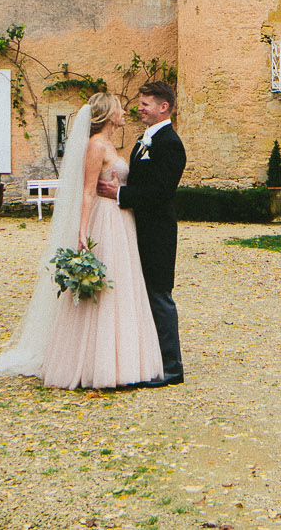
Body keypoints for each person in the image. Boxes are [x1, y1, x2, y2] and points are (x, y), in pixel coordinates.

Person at [0, 91, 163, 389]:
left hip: (122, 220)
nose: (125, 112)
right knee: (103, 287)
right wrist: (82, 231)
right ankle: (94, 364)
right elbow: (87, 192)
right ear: (108, 115)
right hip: (104, 220)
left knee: (121, 286)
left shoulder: (112, 145)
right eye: (119, 108)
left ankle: (123, 362)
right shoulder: (96, 145)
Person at [101, 78, 185, 386]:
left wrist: (121, 195)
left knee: (159, 295)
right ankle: (149, 361)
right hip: (137, 228)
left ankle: (172, 368)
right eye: (140, 104)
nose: (140, 109)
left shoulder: (170, 143)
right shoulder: (143, 140)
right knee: (142, 295)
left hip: (158, 232)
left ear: (164, 107)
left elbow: (161, 191)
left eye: (145, 104)